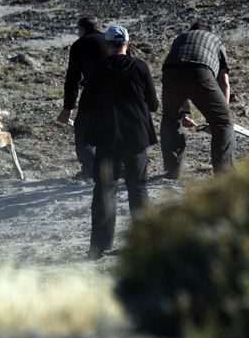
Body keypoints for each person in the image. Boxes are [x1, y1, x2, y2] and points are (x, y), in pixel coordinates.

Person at [79, 25, 159, 260]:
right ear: (128, 43)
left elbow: (84, 105)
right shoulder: (141, 67)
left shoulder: (98, 68)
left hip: (106, 138)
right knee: (138, 189)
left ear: (108, 45)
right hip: (136, 137)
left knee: (105, 191)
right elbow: (153, 103)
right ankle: (145, 244)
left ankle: (99, 248)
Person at [160, 22, 235, 179]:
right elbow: (224, 81)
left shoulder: (181, 38)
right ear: (209, 32)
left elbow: (181, 72)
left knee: (170, 119)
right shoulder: (215, 40)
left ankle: (174, 170)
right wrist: (223, 111)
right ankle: (224, 173)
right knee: (223, 121)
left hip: (170, 72)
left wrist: (183, 113)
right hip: (200, 71)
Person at [56, 16, 109, 180]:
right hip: (118, 91)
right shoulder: (111, 39)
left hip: (93, 91)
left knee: (83, 129)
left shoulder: (80, 44)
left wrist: (68, 107)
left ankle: (91, 168)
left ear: (83, 29)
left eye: (78, 30)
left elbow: (73, 78)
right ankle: (118, 168)